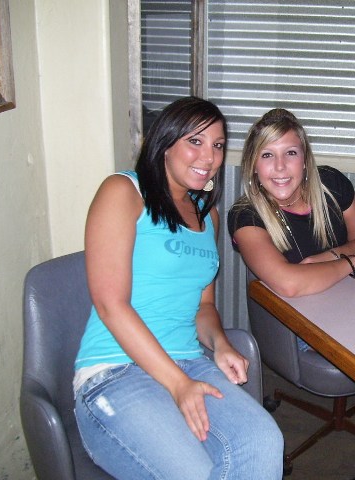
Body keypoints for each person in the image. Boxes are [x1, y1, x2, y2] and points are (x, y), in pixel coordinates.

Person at [73, 96, 284, 480]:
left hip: (190, 362)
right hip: (116, 371)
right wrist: (177, 383)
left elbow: (203, 307)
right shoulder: (123, 191)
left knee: (264, 441)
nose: (209, 157)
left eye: (218, 145)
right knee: (196, 472)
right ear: (165, 143)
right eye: (195, 141)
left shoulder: (208, 215)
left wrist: (220, 344)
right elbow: (110, 305)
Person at [228, 108, 355, 480]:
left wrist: (322, 259)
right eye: (267, 155)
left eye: (290, 153)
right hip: (296, 324)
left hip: (353, 302)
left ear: (305, 159)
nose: (280, 167)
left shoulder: (330, 184)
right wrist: (352, 262)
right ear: (253, 166)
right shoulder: (245, 216)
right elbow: (290, 284)